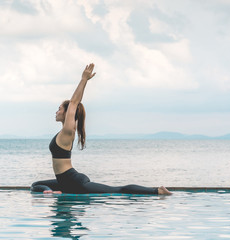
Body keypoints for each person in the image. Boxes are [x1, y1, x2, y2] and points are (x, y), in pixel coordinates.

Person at [31, 63, 171, 195]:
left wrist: (83, 79)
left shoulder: (68, 131)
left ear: (68, 113)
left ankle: (157, 191)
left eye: (59, 109)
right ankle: (49, 191)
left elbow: (74, 102)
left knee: (117, 190)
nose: (56, 112)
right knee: (36, 185)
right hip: (65, 180)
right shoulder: (64, 131)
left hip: (73, 182)